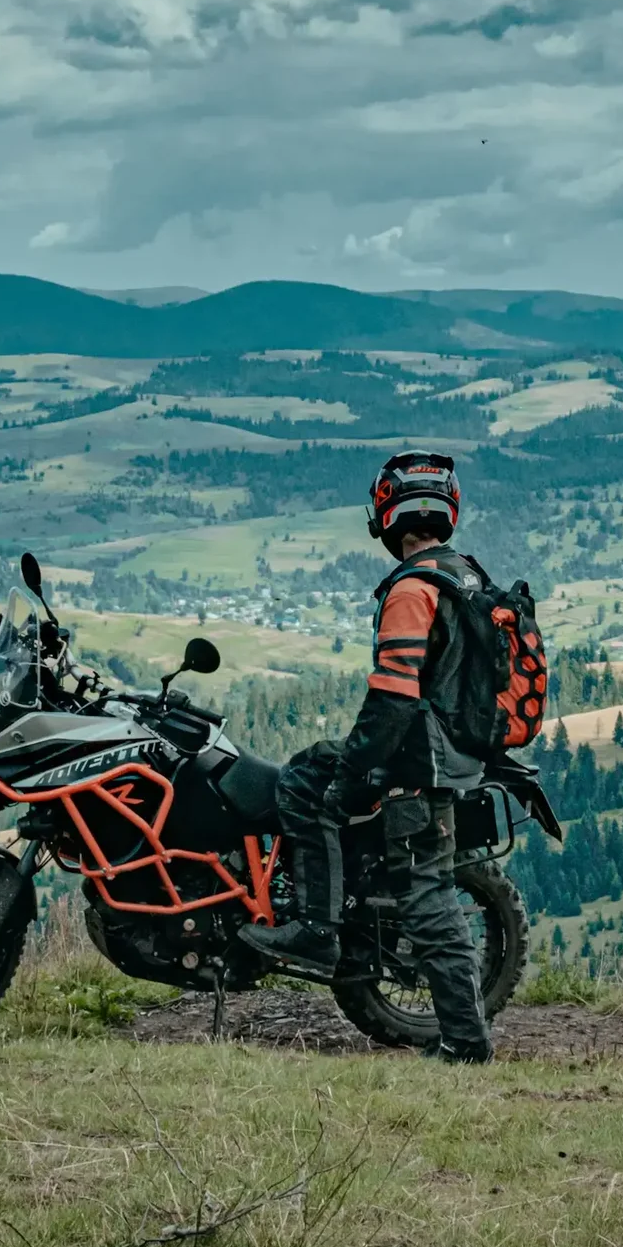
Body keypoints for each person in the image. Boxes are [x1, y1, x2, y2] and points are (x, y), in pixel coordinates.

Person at [240, 449, 495, 1063]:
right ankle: (322, 918)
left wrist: (354, 770)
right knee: (308, 770)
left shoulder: (414, 588)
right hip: (447, 750)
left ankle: (324, 935)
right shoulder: (466, 575)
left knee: (425, 894)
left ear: (387, 514)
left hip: (419, 761)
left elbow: (394, 695)